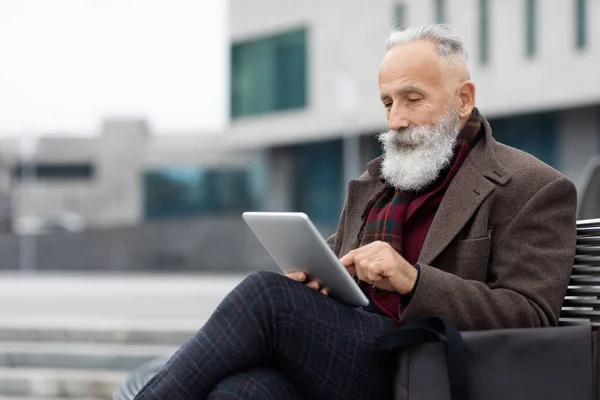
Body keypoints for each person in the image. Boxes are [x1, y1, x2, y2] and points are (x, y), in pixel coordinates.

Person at [132, 24, 577, 400]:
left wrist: (414, 281)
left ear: (463, 100)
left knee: (265, 299)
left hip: (425, 364)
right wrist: (311, 282)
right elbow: (336, 266)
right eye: (388, 103)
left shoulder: (533, 187)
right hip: (356, 352)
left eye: (412, 98)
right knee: (242, 390)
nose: (396, 119)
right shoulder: (378, 183)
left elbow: (532, 315)